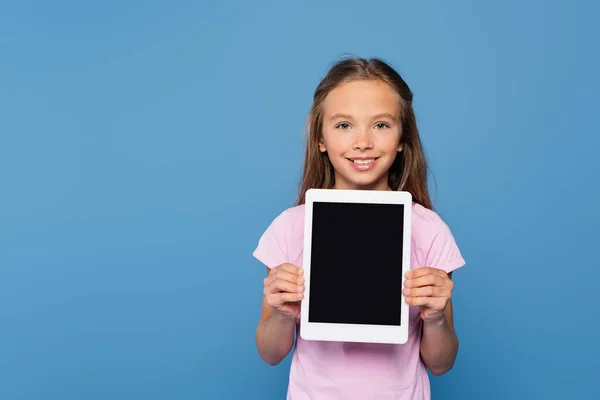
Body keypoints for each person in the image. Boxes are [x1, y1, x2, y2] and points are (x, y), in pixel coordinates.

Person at [252, 57, 466, 400]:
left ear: (401, 139)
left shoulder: (429, 231)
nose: (363, 142)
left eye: (381, 125)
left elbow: (441, 363)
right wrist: (280, 313)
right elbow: (270, 353)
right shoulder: (290, 229)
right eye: (343, 125)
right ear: (320, 138)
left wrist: (437, 318)